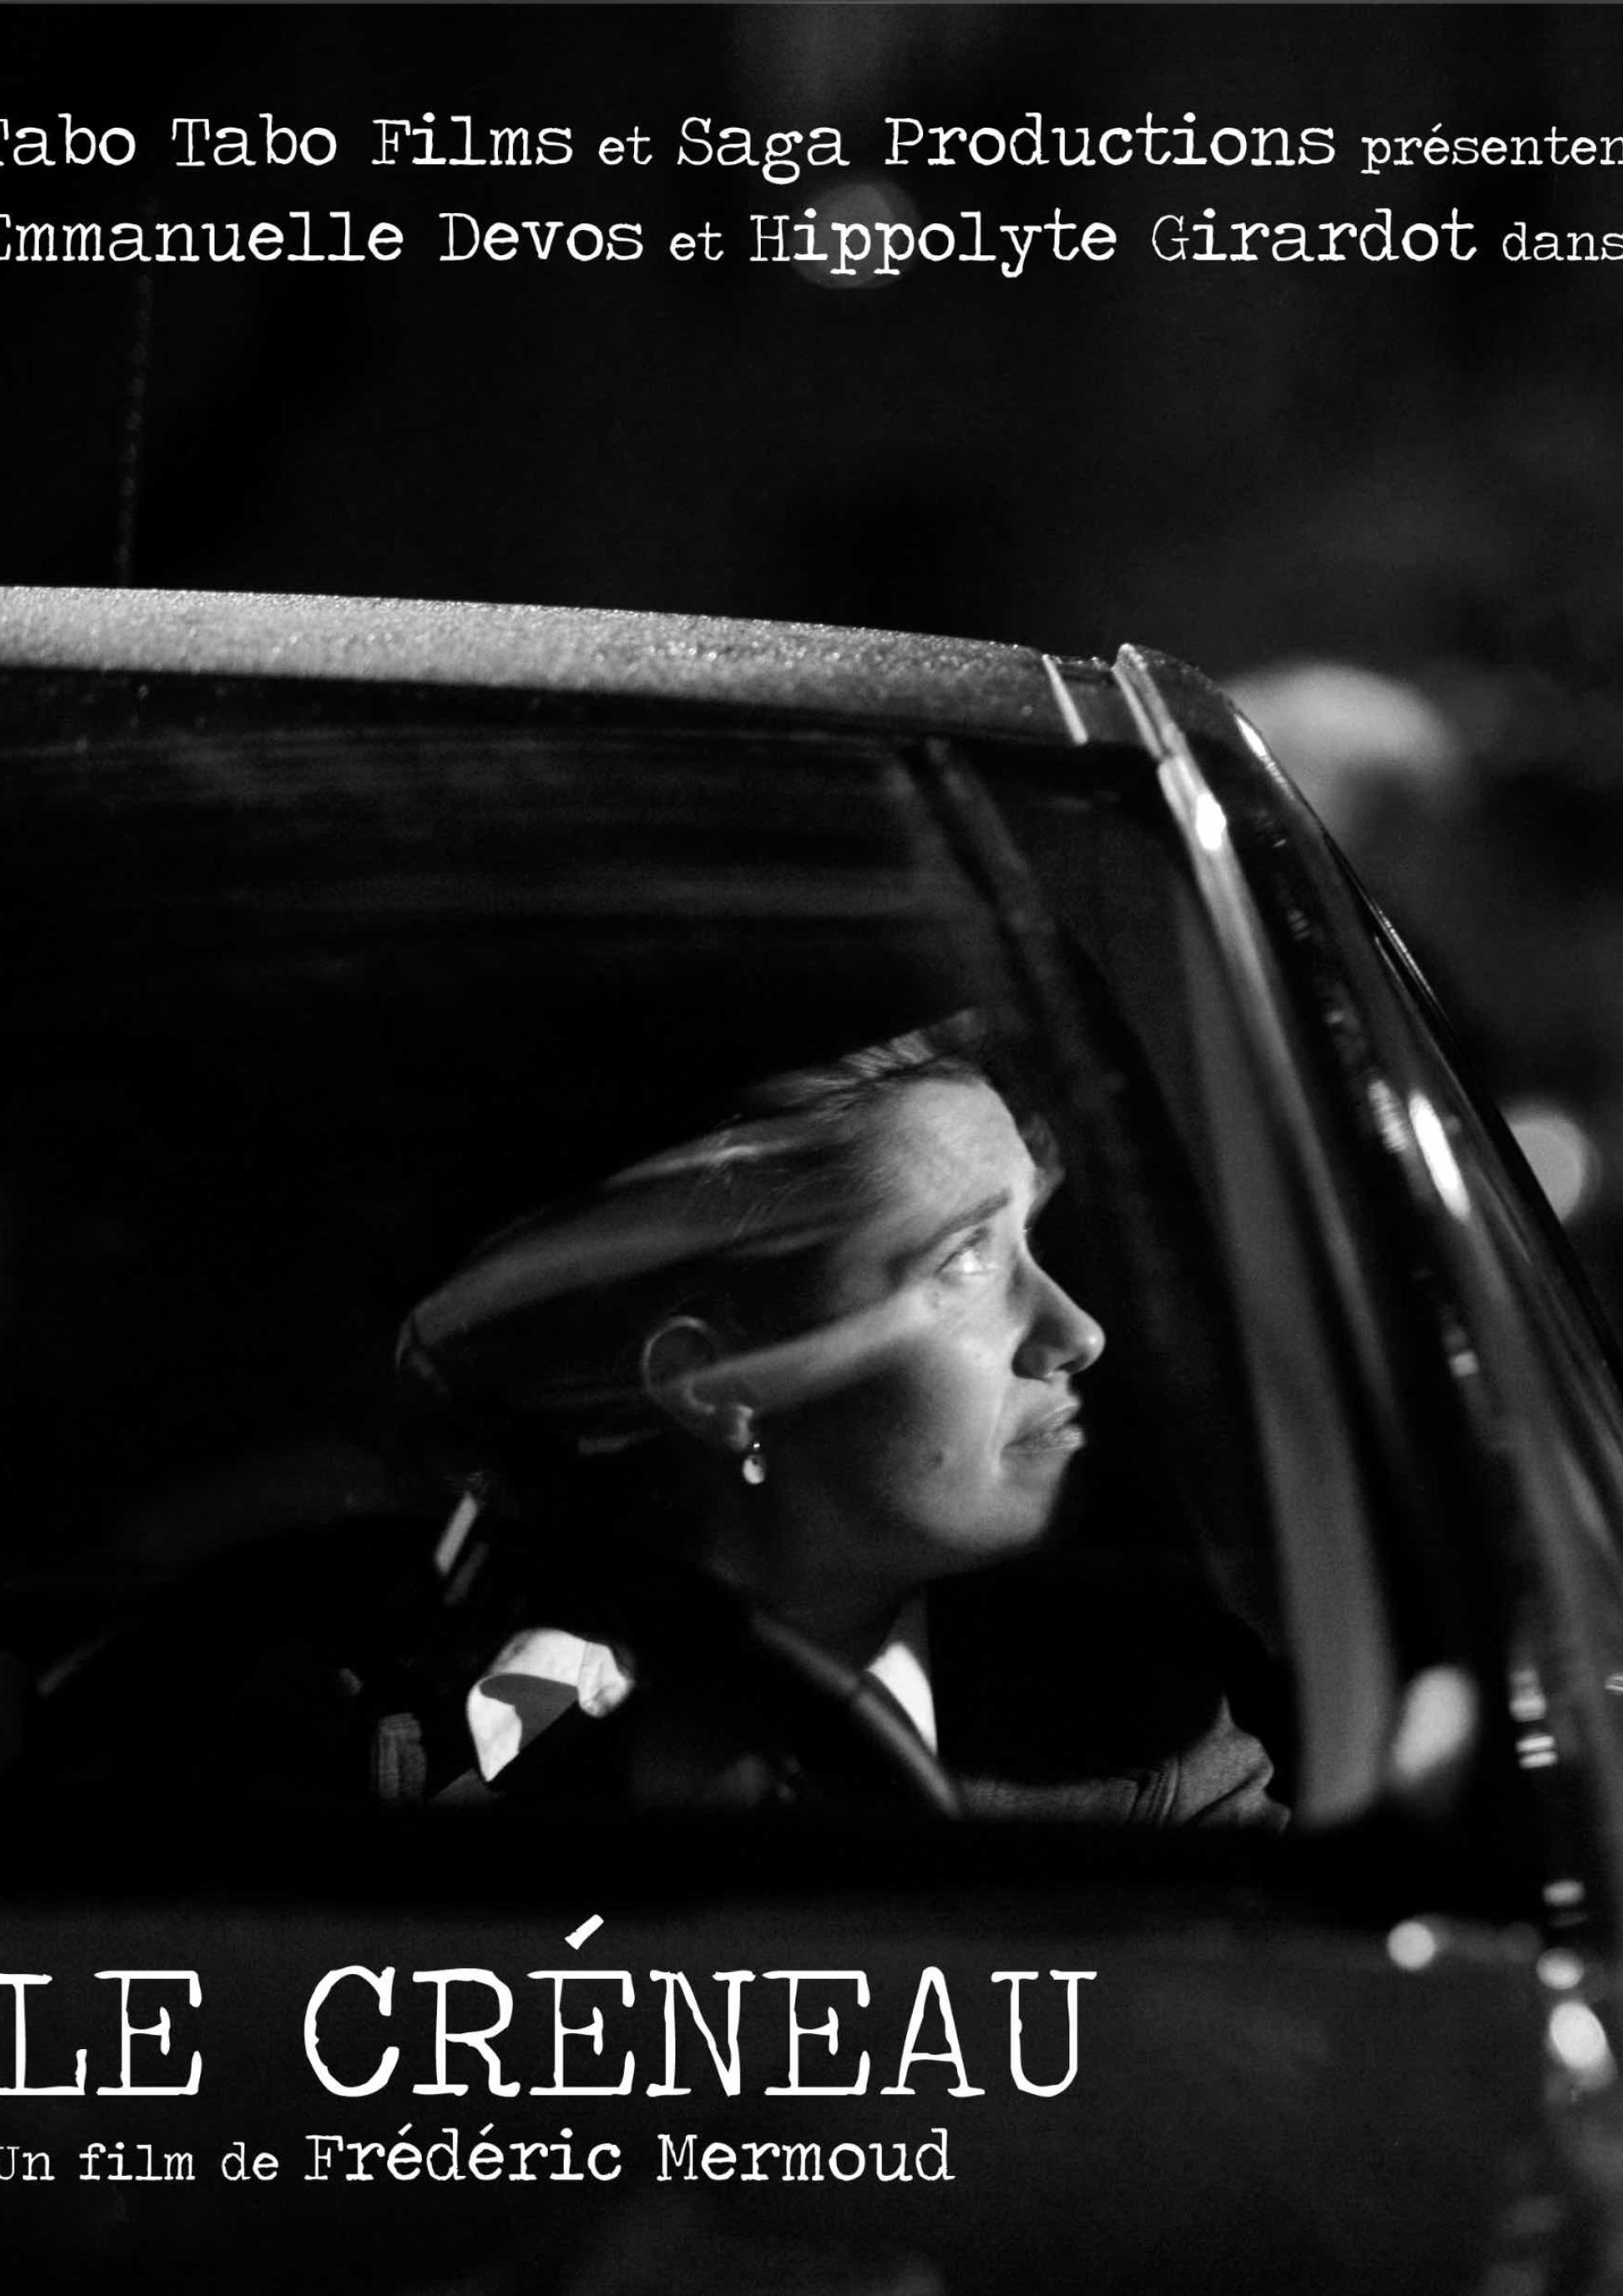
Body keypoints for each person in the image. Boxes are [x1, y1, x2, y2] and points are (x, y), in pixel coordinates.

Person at [397, 1025, 1283, 1824]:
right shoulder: (409, 1730)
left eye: (1031, 1241)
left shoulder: (1142, 1732)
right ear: (716, 1382)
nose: (1078, 1332)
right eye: (965, 1259)